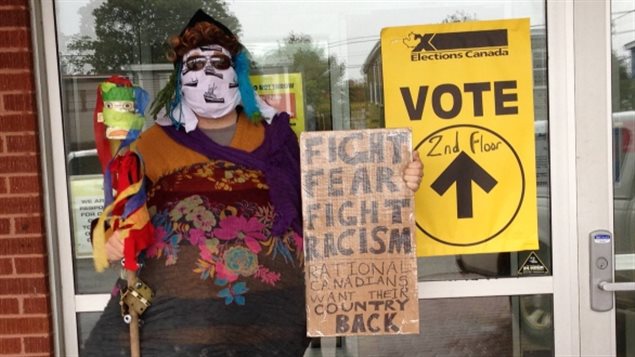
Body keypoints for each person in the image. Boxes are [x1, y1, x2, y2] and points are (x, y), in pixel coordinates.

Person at [83, 9, 423, 357]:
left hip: (268, 319)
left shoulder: (276, 138)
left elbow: (332, 196)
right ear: (179, 78)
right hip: (180, 326)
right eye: (196, 65)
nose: (209, 74)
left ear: (238, 72)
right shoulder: (152, 144)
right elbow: (121, 209)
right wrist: (111, 237)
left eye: (219, 62)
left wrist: (395, 183)